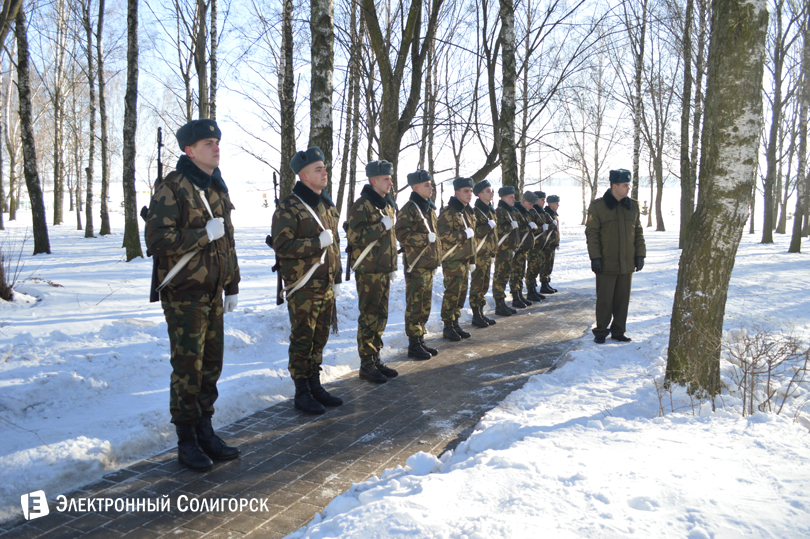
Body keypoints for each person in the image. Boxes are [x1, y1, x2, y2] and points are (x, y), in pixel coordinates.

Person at [145, 118, 241, 472]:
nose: (216, 147)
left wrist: (232, 283)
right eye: (207, 143)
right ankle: (186, 440)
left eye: (217, 142)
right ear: (189, 150)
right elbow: (156, 241)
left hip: (213, 292)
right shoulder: (172, 187)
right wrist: (202, 234)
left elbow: (227, 241)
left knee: (211, 366)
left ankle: (205, 431)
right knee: (188, 368)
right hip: (184, 294)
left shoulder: (216, 187)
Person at [271, 147, 344, 413]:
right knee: (303, 337)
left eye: (324, 167)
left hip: (325, 284)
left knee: (320, 336)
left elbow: (334, 245)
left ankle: (315, 384)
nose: (324, 172)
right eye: (318, 169)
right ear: (303, 175)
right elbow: (282, 245)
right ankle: (301, 391)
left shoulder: (326, 204)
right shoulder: (288, 206)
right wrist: (315, 243)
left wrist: (337, 276)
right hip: (303, 285)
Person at [346, 160, 398, 383]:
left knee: (381, 316)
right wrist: (380, 227)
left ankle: (375, 358)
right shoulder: (362, 205)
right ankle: (366, 363)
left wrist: (392, 265)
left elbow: (391, 240)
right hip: (368, 271)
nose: (390, 182)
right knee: (369, 316)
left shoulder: (386, 204)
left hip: (383, 269)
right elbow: (354, 236)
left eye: (390, 178)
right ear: (373, 180)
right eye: (386, 179)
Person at [585, 169, 646, 344]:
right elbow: (592, 234)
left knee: (622, 299)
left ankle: (618, 331)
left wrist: (640, 254)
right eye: (625, 185)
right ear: (615, 186)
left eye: (629, 185)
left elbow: (638, 233)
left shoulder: (633, 206)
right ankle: (601, 331)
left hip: (627, 262)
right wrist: (595, 258)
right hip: (606, 262)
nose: (628, 188)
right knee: (605, 299)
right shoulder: (598, 207)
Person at [395, 170, 443, 360]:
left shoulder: (428, 208)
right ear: (416, 188)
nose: (431, 187)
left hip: (428, 263)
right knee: (415, 305)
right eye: (427, 185)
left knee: (425, 305)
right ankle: (413, 344)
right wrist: (424, 238)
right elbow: (401, 234)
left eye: (431, 184)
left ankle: (420, 339)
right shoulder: (409, 209)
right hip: (416, 265)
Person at [438, 177, 477, 341]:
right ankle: (448, 326)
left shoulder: (467, 211)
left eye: (471, 191)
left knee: (461, 293)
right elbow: (442, 235)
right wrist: (462, 235)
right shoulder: (449, 212)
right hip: (453, 260)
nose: (470, 194)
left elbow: (472, 238)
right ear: (457, 192)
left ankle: (455, 323)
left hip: (465, 259)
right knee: (452, 293)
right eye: (466, 191)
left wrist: (473, 259)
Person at [469, 179, 498, 328]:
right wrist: (487, 227)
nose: (491, 193)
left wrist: (493, 252)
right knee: (477, 284)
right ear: (479, 194)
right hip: (479, 254)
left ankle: (481, 312)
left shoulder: (489, 210)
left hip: (487, 253)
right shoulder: (476, 211)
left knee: (484, 284)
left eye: (491, 190)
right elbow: (475, 233)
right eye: (488, 191)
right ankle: (476, 315)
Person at [492, 186, 520, 317]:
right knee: (500, 276)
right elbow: (496, 230)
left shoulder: (510, 211)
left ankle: (502, 303)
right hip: (502, 250)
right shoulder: (500, 211)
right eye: (511, 197)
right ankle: (499, 304)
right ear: (503, 198)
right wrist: (510, 226)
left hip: (509, 249)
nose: (514, 199)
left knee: (505, 276)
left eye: (514, 196)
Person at [510, 191, 535, 309]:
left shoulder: (525, 212)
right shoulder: (517, 212)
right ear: (524, 201)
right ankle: (515, 296)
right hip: (517, 248)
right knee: (515, 273)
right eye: (530, 204)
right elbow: (518, 230)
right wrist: (528, 227)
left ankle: (519, 294)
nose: (531, 207)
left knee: (520, 273)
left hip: (523, 249)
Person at [525, 191, 552, 302]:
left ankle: (534, 289)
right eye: (542, 199)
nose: (543, 201)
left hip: (541, 245)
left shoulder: (541, 212)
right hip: (534, 245)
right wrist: (542, 228)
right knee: (532, 268)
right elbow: (533, 228)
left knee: (536, 268)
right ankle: (530, 290)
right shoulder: (532, 211)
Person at [540, 195, 562, 294]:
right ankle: (543, 284)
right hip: (547, 244)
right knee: (545, 264)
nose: (558, 205)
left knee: (549, 265)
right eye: (556, 203)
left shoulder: (554, 214)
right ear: (551, 204)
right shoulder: (546, 214)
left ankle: (547, 283)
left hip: (552, 244)